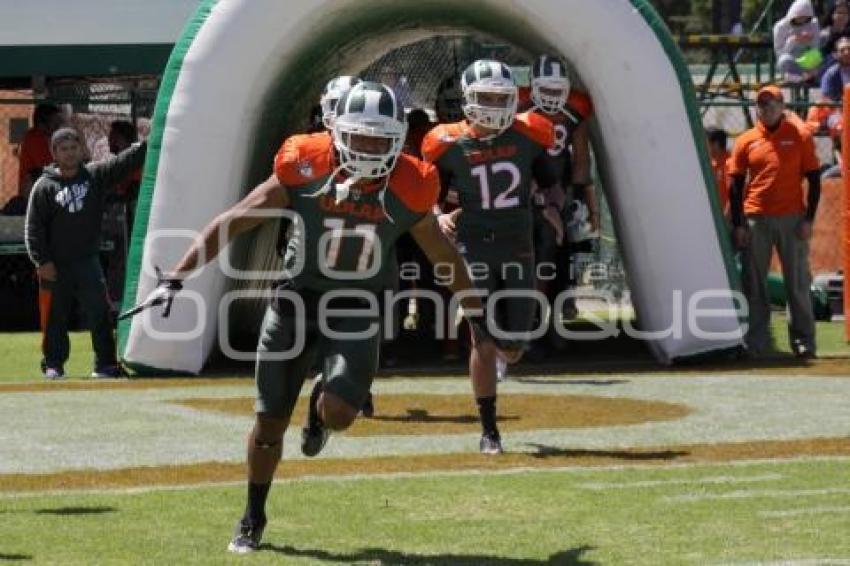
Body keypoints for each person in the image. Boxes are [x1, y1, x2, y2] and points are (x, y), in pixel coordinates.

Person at [133, 81, 494, 553]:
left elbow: (441, 253)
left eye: (378, 140)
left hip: (357, 307)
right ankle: (253, 514)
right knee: (268, 427)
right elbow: (238, 217)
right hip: (296, 301)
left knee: (341, 414)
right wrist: (176, 276)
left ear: (398, 140)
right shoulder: (305, 163)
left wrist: (474, 313)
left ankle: (322, 404)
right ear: (337, 131)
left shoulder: (411, 181)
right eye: (359, 136)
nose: (367, 149)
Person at [422, 60, 559, 454]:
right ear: (468, 100)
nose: (496, 105)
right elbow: (429, 193)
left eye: (502, 97)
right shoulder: (447, 144)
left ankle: (504, 350)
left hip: (518, 245)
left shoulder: (530, 134)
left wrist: (553, 208)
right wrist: (438, 215)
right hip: (472, 246)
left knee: (513, 345)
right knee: (480, 336)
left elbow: (550, 183)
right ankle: (489, 430)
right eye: (486, 98)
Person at [25, 128, 147, 379]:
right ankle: (53, 364)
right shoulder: (45, 186)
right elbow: (33, 227)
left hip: (87, 261)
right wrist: (42, 261)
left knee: (99, 312)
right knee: (54, 317)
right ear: (54, 153)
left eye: (73, 148)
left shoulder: (94, 176)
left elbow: (122, 163)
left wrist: (147, 144)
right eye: (63, 149)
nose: (69, 154)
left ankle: (105, 364)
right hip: (55, 264)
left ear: (81, 150)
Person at [729, 85, 821, 359]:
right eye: (762, 104)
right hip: (755, 218)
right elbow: (736, 185)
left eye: (772, 104)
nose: (767, 109)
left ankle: (803, 341)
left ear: (782, 107)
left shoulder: (800, 135)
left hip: (792, 220)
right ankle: (756, 342)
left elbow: (815, 180)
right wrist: (738, 224)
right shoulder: (745, 140)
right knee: (754, 283)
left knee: (797, 283)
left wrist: (808, 219)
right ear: (756, 108)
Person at [526, 54, 597, 329]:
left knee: (565, 249)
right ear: (533, 87)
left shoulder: (574, 112)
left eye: (557, 90)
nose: (552, 96)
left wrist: (579, 197)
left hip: (560, 190)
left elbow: (581, 159)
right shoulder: (520, 110)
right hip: (525, 192)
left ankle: (561, 302)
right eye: (546, 90)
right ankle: (530, 315)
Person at [15, 104, 63, 209]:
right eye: (55, 123)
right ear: (42, 125)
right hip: (34, 195)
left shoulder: (49, 139)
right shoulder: (35, 138)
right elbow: (50, 166)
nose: (58, 127)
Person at [774, 0, 822, 81]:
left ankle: (804, 76)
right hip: (791, 59)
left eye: (805, 18)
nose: (802, 21)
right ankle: (803, 77)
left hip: (806, 58)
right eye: (800, 17)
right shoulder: (780, 27)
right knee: (784, 61)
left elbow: (816, 47)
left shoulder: (814, 23)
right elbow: (779, 53)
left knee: (817, 56)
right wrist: (793, 41)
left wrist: (809, 41)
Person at [706, 126, 731, 216]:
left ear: (715, 144)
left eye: (706, 142)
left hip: (727, 217)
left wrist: (725, 217)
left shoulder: (729, 163)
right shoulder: (709, 163)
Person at [820, 35, 850, 100]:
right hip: (839, 108)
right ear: (835, 55)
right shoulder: (830, 74)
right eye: (842, 50)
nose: (847, 53)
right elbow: (827, 98)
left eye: (849, 49)